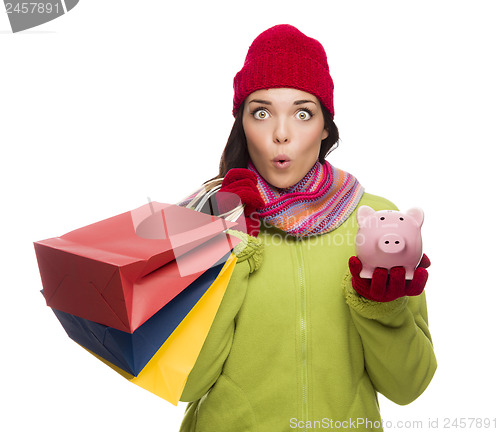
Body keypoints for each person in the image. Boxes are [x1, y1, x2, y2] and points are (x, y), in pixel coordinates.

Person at [177, 24, 437, 432]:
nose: (281, 133)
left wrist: (383, 308)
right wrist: (230, 242)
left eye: (302, 113)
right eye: (261, 112)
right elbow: (186, 384)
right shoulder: (208, 217)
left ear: (326, 127)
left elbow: (409, 385)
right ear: (242, 124)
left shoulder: (378, 223)